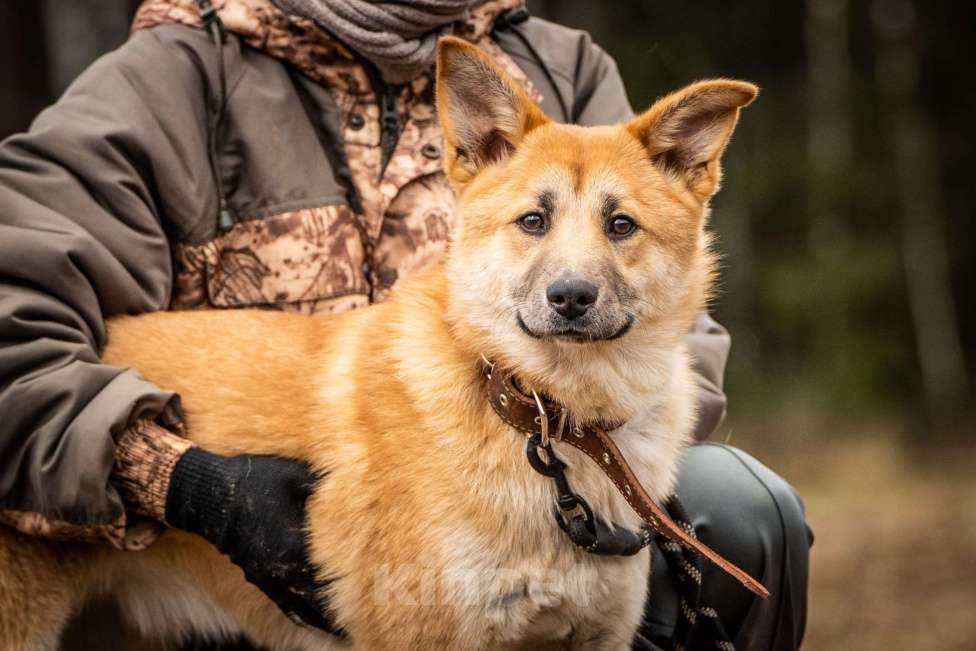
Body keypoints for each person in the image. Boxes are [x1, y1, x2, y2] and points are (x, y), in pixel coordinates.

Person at [0, 1, 811, 649]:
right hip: (165, 524)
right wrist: (186, 486)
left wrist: (603, 443)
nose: (572, 275)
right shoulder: (174, 76)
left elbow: (673, 313)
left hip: (563, 472)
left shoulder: (560, 67)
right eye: (534, 223)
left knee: (745, 511)